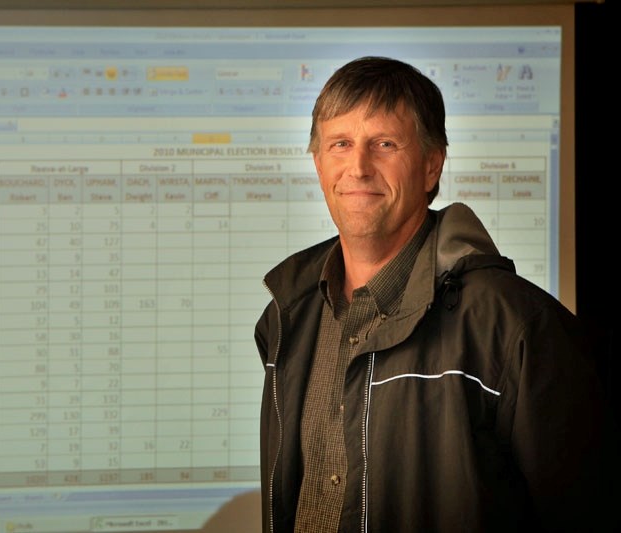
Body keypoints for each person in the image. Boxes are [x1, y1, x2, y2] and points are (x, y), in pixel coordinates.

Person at [254, 56, 619, 532]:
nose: (358, 167)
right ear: (319, 163)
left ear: (431, 166)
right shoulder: (288, 318)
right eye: (340, 144)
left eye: (384, 144)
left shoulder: (515, 326)